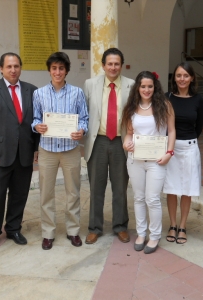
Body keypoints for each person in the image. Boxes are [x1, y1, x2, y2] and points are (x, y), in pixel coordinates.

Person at [0, 52, 39, 251]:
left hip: (24, 153)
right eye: (9, 66)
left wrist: (36, 148)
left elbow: (35, 122)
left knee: (20, 194)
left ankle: (13, 228)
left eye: (16, 66)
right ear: (1, 68)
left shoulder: (32, 90)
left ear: (21, 68)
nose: (13, 70)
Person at [32, 52, 89, 250]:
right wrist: (37, 126)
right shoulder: (39, 94)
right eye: (54, 68)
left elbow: (84, 118)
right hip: (47, 150)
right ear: (49, 70)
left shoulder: (77, 93)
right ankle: (48, 233)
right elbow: (35, 118)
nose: (58, 72)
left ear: (67, 71)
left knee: (73, 192)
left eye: (61, 68)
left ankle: (73, 231)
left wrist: (81, 130)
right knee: (46, 193)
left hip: (70, 150)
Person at [83, 48, 134, 244]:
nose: (113, 67)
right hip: (98, 141)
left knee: (120, 187)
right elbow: (84, 111)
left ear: (121, 65)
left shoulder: (131, 85)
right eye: (109, 63)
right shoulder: (90, 84)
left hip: (122, 141)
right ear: (103, 65)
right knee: (96, 186)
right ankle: (95, 227)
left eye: (117, 64)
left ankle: (120, 226)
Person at [122, 71, 176, 254]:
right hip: (135, 159)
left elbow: (172, 130)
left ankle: (154, 236)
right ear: (138, 87)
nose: (146, 90)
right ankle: (141, 233)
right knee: (138, 197)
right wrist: (126, 143)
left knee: (152, 199)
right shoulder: (131, 107)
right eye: (143, 86)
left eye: (150, 86)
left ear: (155, 87)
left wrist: (169, 152)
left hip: (157, 160)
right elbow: (129, 132)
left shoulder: (165, 106)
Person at [163, 62, 203, 244]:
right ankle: (172, 225)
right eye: (178, 75)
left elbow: (198, 127)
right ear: (174, 78)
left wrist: (185, 140)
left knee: (186, 190)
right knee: (171, 189)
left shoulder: (198, 100)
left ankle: (182, 226)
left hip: (189, 148)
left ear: (192, 78)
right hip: (170, 148)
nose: (182, 79)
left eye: (186, 76)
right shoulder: (167, 98)